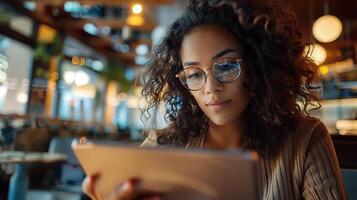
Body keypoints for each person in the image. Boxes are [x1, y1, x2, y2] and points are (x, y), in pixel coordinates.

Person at [83, 0, 347, 199]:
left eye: (226, 66)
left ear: (258, 65)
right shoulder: (162, 145)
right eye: (194, 74)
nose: (211, 88)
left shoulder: (305, 140)